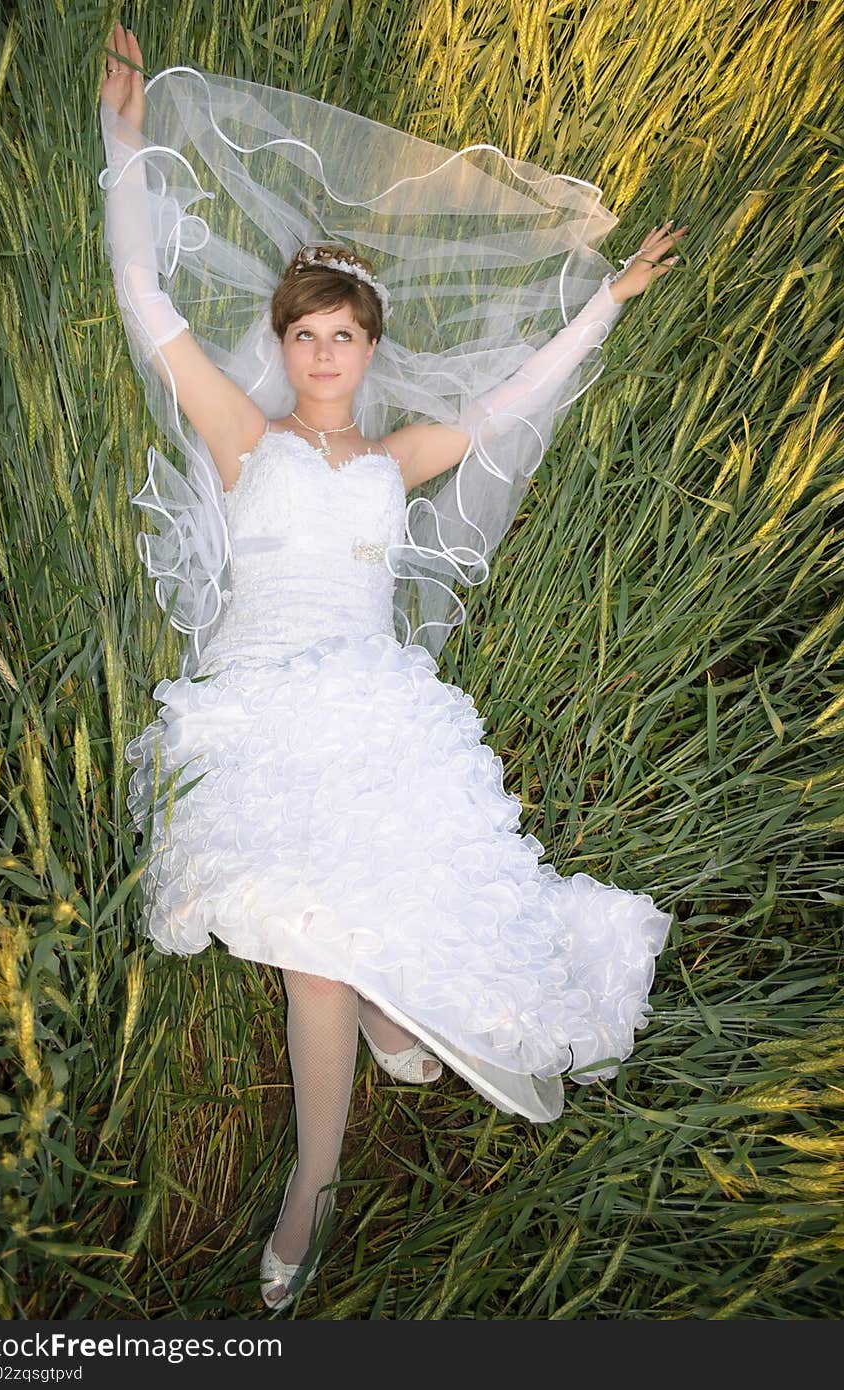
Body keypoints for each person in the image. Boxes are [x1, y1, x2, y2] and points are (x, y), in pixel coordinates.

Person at [100, 23, 685, 1311]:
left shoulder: (394, 458)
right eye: (304, 332)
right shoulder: (242, 433)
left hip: (371, 707)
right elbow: (147, 300)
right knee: (315, 944)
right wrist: (125, 141)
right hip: (258, 709)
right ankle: (342, 1107)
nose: (322, 352)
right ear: (283, 341)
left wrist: (605, 303)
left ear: (370, 349)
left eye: (344, 336)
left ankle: (347, 1096)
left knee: (336, 951)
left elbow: (510, 405)